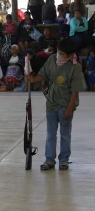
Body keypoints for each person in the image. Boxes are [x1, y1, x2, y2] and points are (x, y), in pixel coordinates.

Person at [28, 38, 86, 171]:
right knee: (50, 133)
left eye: (62, 53)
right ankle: (49, 160)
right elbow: (43, 74)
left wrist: (70, 108)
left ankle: (64, 160)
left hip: (65, 104)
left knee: (65, 133)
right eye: (58, 51)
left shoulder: (75, 67)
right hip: (51, 102)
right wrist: (33, 79)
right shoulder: (52, 59)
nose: (59, 55)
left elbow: (75, 90)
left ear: (70, 55)